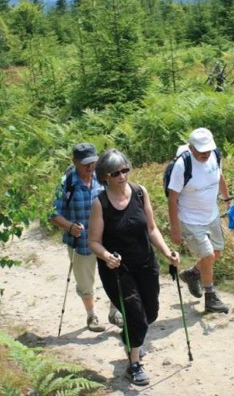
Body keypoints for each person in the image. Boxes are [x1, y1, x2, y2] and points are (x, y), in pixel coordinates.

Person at [87, 148, 179, 386]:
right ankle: (134, 364)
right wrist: (107, 256)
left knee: (152, 312)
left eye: (125, 170)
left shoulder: (139, 193)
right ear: (105, 176)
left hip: (146, 264)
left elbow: (151, 228)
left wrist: (167, 252)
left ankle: (131, 339)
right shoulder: (101, 203)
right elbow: (93, 241)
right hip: (117, 270)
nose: (122, 175)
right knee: (136, 315)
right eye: (116, 172)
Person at [50, 143, 123, 333]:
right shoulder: (67, 182)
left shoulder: (103, 178)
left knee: (115, 275)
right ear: (74, 162)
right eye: (85, 164)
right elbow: (53, 214)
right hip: (80, 241)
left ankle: (115, 312)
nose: (90, 167)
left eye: (93, 162)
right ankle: (92, 315)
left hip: (106, 239)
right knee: (85, 282)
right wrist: (70, 226)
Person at [167, 128, 232, 314]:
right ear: (190, 147)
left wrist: (227, 200)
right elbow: (172, 199)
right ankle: (210, 298)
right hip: (190, 219)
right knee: (208, 256)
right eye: (201, 149)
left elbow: (219, 177)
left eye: (208, 149)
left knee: (216, 252)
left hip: (211, 215)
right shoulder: (182, 165)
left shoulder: (215, 156)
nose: (205, 153)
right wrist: (175, 229)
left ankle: (192, 274)